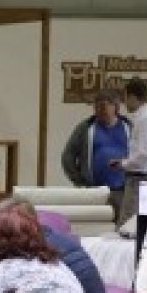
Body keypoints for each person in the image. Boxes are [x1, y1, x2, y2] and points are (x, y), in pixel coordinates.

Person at [60, 89, 131, 218]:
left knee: (123, 225)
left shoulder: (129, 127)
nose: (101, 110)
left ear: (115, 107)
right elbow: (67, 157)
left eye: (105, 106)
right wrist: (80, 181)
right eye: (97, 106)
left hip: (123, 190)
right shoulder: (85, 128)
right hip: (94, 191)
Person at [112, 78, 147, 249]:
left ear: (133, 97)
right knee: (132, 224)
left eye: (125, 98)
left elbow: (144, 154)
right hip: (140, 176)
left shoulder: (146, 120)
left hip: (139, 177)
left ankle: (122, 259)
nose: (124, 102)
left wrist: (123, 164)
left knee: (127, 224)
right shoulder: (146, 118)